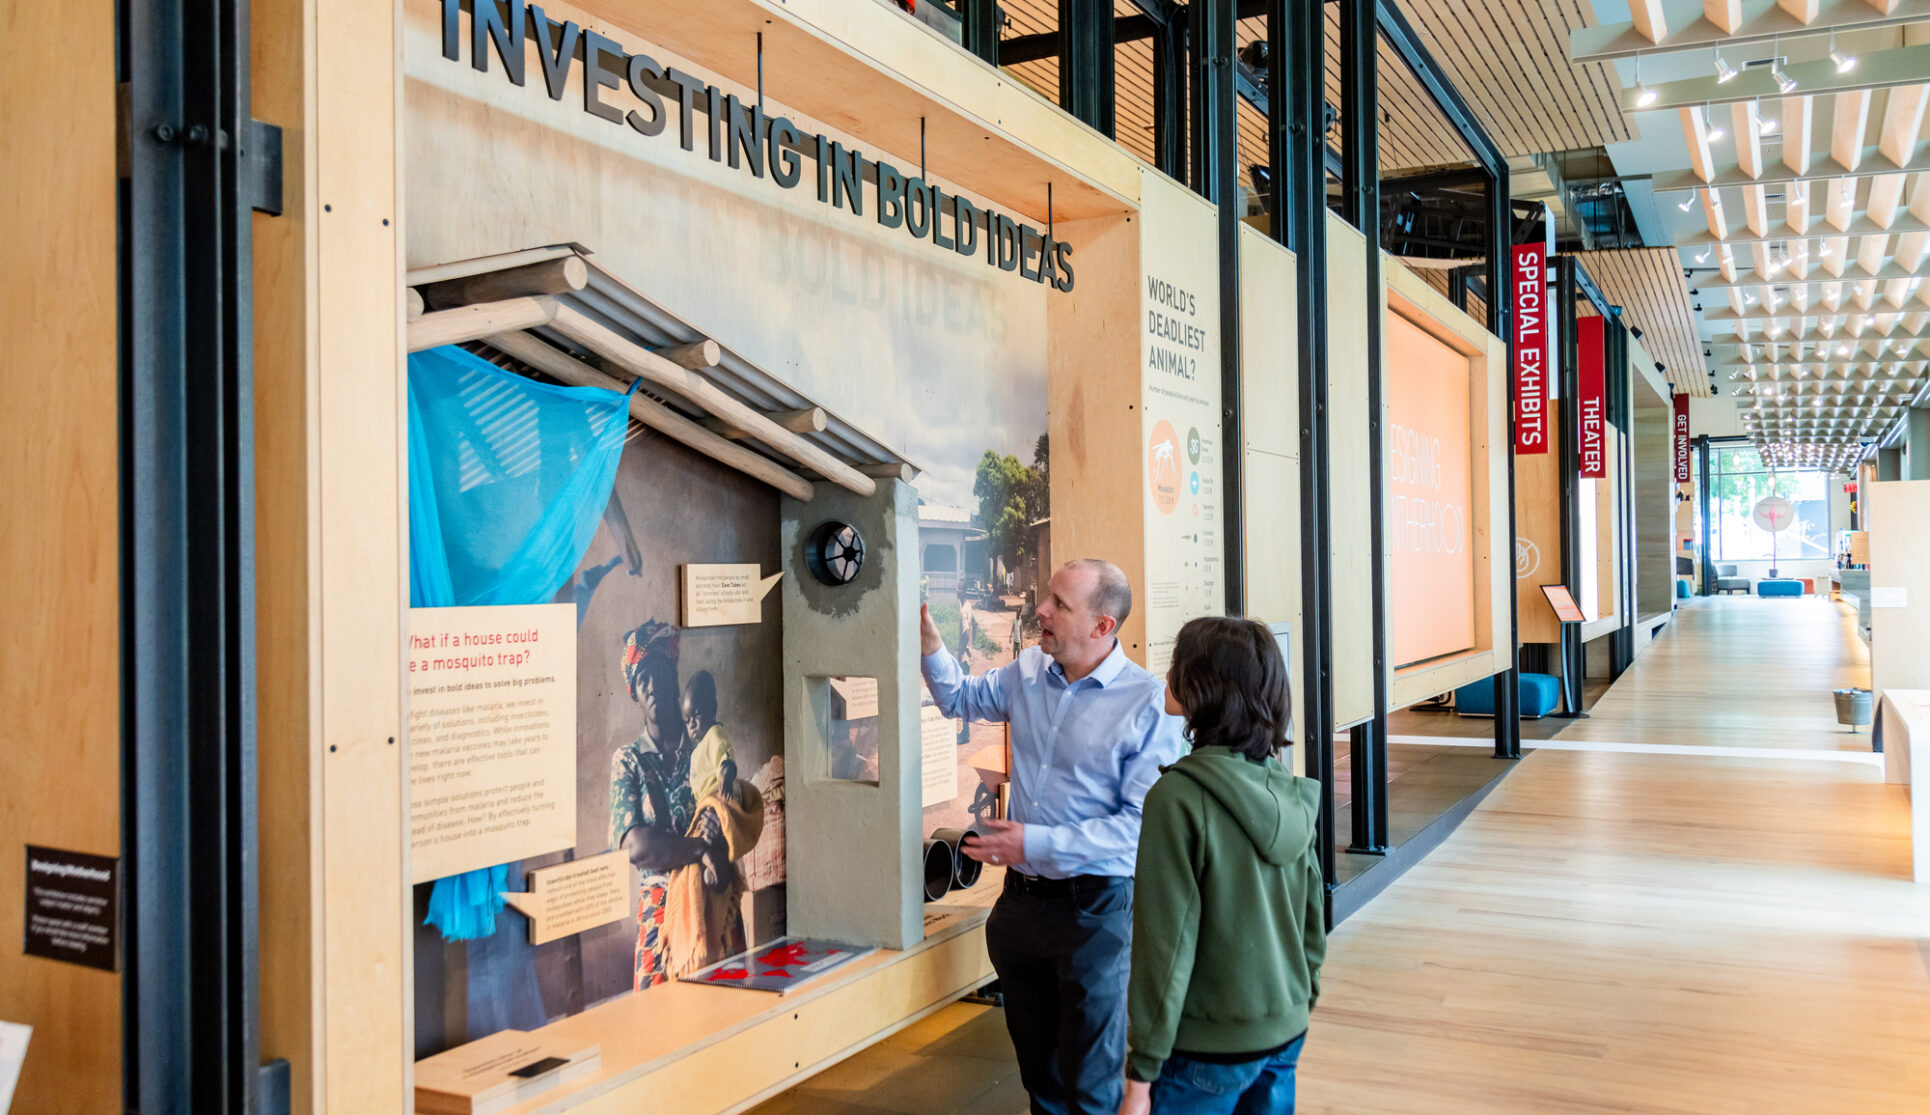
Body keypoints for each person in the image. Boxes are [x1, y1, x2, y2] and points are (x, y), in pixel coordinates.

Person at [921, 559, 1186, 1115]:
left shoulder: (1146, 704)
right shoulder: (1024, 672)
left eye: (1059, 605)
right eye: (1048, 597)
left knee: (1090, 1092)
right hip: (1019, 913)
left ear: (1102, 627)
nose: (1039, 610)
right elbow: (958, 700)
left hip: (1095, 917)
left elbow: (1135, 830)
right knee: (1042, 1087)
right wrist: (930, 644)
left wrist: (1033, 844)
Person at [1118, 617, 1326, 1115]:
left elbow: (1164, 949)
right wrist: (1298, 999)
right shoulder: (1283, 785)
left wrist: (1140, 1077)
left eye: (1177, 665)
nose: (1164, 675)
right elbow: (1313, 918)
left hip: (1205, 1051)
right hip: (1284, 1029)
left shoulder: (1178, 799)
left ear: (1202, 687)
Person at [609, 620, 761, 988]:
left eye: (659, 672)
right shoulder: (629, 760)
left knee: (727, 1023)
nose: (651, 685)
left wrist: (721, 835)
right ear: (633, 691)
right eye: (642, 677)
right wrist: (697, 847)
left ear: (674, 675)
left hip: (716, 905)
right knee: (659, 1031)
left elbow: (735, 813)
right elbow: (636, 846)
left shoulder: (704, 742)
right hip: (660, 925)